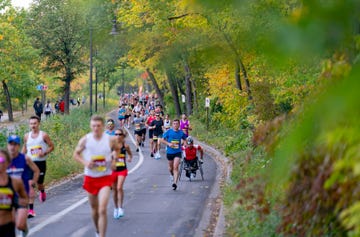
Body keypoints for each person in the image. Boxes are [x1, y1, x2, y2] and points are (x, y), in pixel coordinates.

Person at [73, 115, 120, 237]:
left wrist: (114, 161)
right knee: (94, 210)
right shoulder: (85, 140)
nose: (96, 128)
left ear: (103, 126)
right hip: (90, 178)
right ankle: (98, 231)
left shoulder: (110, 139)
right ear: (90, 126)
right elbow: (76, 154)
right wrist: (86, 163)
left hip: (105, 177)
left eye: (98, 126)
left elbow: (117, 149)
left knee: (102, 209)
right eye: (93, 126)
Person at [21, 115, 54, 218]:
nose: (33, 126)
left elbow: (52, 146)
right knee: (30, 185)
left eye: (35, 123)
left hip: (41, 163)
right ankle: (30, 210)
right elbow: (25, 148)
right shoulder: (26, 136)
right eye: (31, 124)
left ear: (38, 123)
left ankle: (42, 190)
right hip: (30, 163)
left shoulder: (44, 135)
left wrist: (44, 153)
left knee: (40, 184)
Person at [7, 135, 40, 236]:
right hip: (8, 196)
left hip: (22, 195)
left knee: (20, 225)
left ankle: (24, 230)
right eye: (10, 144)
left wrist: (33, 182)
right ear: (8, 145)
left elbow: (36, 171)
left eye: (15, 144)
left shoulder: (25, 159)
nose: (12, 147)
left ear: (19, 146)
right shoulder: (3, 159)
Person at [0, 149, 28, 237]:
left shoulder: (16, 182)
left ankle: (24, 229)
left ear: (8, 163)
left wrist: (22, 209)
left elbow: (24, 198)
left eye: (1, 160)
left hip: (7, 227)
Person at [161, 119, 187, 190]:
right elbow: (162, 140)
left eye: (177, 124)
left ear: (179, 125)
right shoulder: (169, 132)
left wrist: (185, 143)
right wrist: (168, 144)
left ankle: (175, 183)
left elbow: (185, 139)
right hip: (169, 152)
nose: (175, 125)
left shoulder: (181, 133)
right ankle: (172, 174)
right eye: (174, 124)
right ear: (172, 125)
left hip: (177, 152)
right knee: (171, 168)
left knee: (175, 167)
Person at [112, 129, 132, 219]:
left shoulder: (125, 146)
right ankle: (115, 208)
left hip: (122, 170)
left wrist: (129, 158)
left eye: (120, 134)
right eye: (116, 134)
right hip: (112, 170)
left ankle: (120, 208)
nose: (118, 136)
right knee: (114, 190)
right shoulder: (110, 146)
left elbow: (130, 154)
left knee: (119, 187)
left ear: (122, 136)